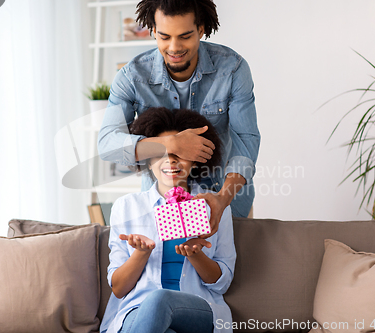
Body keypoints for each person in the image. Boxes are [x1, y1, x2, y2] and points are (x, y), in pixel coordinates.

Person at [98, 0, 260, 236]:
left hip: (226, 198)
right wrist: (170, 144)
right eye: (164, 37)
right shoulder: (131, 77)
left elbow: (246, 141)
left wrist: (222, 198)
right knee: (172, 270)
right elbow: (107, 145)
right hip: (161, 204)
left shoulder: (232, 69)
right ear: (153, 30)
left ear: (201, 29)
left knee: (228, 272)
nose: (174, 47)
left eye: (185, 36)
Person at [99, 107, 236, 333]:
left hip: (197, 310)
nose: (170, 161)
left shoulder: (214, 206)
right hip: (136, 311)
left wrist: (196, 254)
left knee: (159, 300)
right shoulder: (127, 208)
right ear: (147, 159)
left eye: (180, 153)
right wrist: (141, 253)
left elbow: (221, 283)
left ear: (195, 159)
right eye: (160, 152)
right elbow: (119, 288)